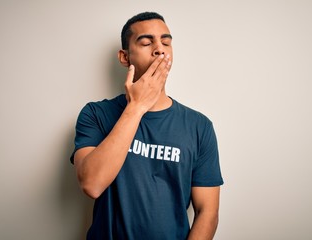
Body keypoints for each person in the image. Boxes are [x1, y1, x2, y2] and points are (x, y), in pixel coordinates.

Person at [70, 12, 224, 240]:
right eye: (146, 42)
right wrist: (137, 107)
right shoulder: (96, 114)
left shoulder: (199, 126)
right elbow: (92, 184)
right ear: (124, 57)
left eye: (166, 42)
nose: (160, 49)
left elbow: (207, 213)